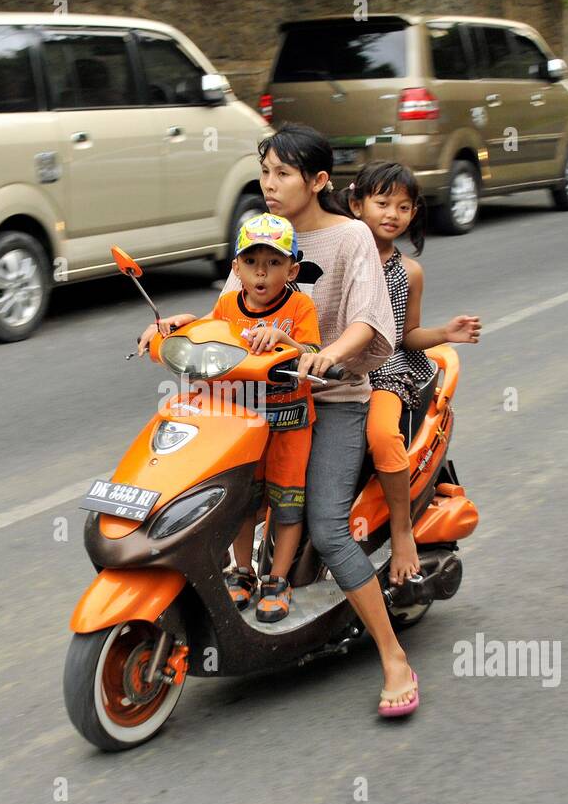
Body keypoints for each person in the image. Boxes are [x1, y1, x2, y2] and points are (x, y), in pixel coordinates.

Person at [141, 123, 418, 717]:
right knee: (225, 494)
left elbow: (373, 322)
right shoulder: (259, 236)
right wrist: (178, 328)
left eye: (283, 174)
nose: (269, 184)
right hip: (259, 400)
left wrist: (329, 355)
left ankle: (394, 657)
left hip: (335, 398)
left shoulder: (350, 240)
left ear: (318, 182)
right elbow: (227, 309)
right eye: (264, 171)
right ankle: (242, 587)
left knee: (327, 521)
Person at [141, 213, 320, 622]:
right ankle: (242, 571)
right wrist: (174, 327)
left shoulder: (300, 306)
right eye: (252, 261)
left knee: (288, 501)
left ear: (292, 269)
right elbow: (209, 334)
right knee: (242, 500)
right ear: (235, 267)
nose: (262, 272)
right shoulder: (226, 304)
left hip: (289, 422)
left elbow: (313, 352)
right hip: (239, 425)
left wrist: (283, 338)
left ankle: (277, 579)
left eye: (274, 263)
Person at [346, 161, 481, 586]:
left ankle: (402, 532)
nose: (392, 214)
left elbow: (407, 336)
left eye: (403, 207)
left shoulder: (409, 272)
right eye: (382, 203)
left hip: (385, 371)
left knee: (384, 437)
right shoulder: (337, 257)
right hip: (331, 367)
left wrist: (445, 333)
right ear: (356, 205)